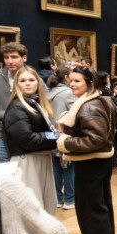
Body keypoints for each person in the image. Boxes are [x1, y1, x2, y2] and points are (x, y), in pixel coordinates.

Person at [57, 66, 117, 234]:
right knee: (100, 206)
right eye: (71, 80)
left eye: (77, 81)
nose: (72, 84)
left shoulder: (88, 106)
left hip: (91, 162)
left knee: (91, 210)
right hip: (98, 161)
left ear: (90, 83)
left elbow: (95, 138)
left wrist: (65, 142)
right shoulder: (98, 101)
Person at [3, 66, 60, 214]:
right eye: (22, 81)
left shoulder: (36, 103)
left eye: (31, 80)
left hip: (42, 158)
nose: (27, 83)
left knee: (47, 206)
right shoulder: (16, 107)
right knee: (33, 208)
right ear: (17, 84)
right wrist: (55, 136)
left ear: (37, 82)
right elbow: (27, 139)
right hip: (27, 161)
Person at [0, 42, 30, 162]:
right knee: (5, 169)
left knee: (25, 170)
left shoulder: (33, 79)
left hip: (27, 133)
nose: (10, 61)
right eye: (6, 57)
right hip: (1, 135)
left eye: (14, 57)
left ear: (24, 58)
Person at [46, 66, 76, 210]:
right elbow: (74, 114)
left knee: (56, 167)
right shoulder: (68, 93)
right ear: (66, 78)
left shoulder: (47, 92)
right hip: (64, 134)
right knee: (69, 166)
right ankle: (70, 200)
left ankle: (58, 198)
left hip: (50, 134)